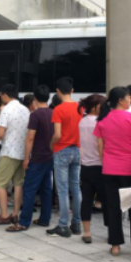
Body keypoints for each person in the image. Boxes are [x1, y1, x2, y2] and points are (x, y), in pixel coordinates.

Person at [94, 86, 131, 256]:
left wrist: (106, 162)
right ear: (120, 100)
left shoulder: (103, 120)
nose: (130, 100)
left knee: (113, 206)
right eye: (128, 98)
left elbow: (100, 146)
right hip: (130, 168)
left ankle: (115, 245)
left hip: (110, 169)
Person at [12, 85, 54, 232]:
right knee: (46, 189)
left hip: (37, 157)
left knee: (29, 189)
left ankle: (24, 222)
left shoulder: (35, 115)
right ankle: (45, 219)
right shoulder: (52, 113)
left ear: (35, 98)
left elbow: (30, 138)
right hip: (49, 156)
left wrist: (26, 158)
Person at [0, 84, 30, 225]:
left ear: (5, 95)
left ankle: (4, 215)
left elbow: (0, 133)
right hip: (22, 151)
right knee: (18, 184)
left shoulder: (6, 110)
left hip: (9, 151)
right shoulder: (25, 109)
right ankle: (15, 214)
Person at [46, 77, 83, 238]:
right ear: (72, 90)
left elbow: (57, 134)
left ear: (58, 91)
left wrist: (51, 145)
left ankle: (63, 225)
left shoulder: (58, 109)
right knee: (75, 188)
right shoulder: (80, 108)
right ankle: (76, 223)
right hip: (76, 150)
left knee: (62, 190)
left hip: (62, 150)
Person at [78, 95, 106, 243]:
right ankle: (111, 232)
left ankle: (87, 233)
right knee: (107, 200)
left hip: (85, 166)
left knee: (86, 200)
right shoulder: (100, 122)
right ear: (95, 106)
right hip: (99, 166)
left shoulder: (82, 121)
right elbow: (101, 145)